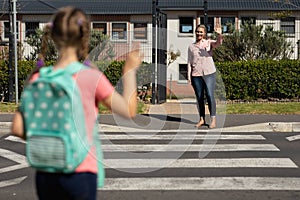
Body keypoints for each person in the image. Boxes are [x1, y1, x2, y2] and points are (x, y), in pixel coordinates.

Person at [11, 6, 142, 200]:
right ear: (84, 38)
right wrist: (129, 71)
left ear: (53, 37)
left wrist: (51, 143)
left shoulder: (38, 78)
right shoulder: (90, 78)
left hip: (46, 172)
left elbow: (17, 128)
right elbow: (129, 110)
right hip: (80, 171)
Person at [187, 22, 223, 129]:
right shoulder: (191, 47)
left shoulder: (208, 43)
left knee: (209, 95)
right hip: (196, 75)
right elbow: (189, 62)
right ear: (195, 33)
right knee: (199, 98)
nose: (199, 34)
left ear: (205, 33)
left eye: (201, 32)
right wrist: (189, 76)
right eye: (197, 32)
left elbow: (218, 43)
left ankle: (213, 119)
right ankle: (202, 119)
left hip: (209, 74)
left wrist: (220, 35)